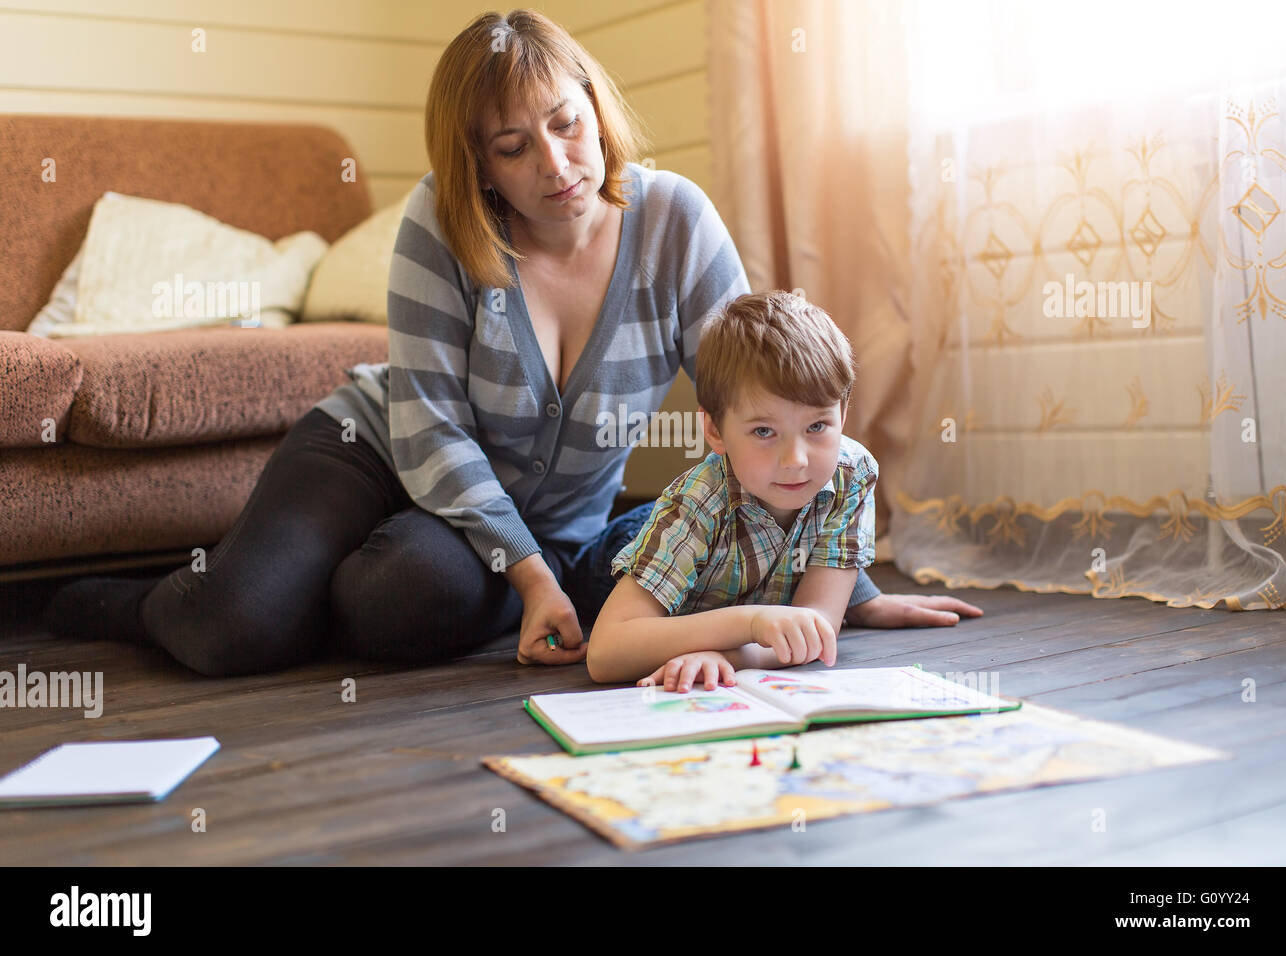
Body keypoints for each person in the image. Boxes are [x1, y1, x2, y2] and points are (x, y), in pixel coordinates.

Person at [44, 10, 977, 678]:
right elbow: (431, 429)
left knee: (407, 596)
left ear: (595, 109)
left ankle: (315, 589)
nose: (558, 165)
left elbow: (757, 410)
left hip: (532, 527)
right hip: (377, 448)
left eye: (567, 124)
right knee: (235, 631)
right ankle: (134, 597)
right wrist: (535, 584)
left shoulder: (676, 221)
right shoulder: (437, 228)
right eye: (513, 145)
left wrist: (843, 593)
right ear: (477, 162)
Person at [587, 291, 882, 691]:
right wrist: (751, 622)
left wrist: (727, 656)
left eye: (816, 426)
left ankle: (865, 601)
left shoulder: (854, 474)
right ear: (714, 431)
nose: (795, 460)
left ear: (842, 414)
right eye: (764, 431)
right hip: (621, 552)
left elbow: (813, 630)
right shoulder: (694, 504)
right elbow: (605, 654)